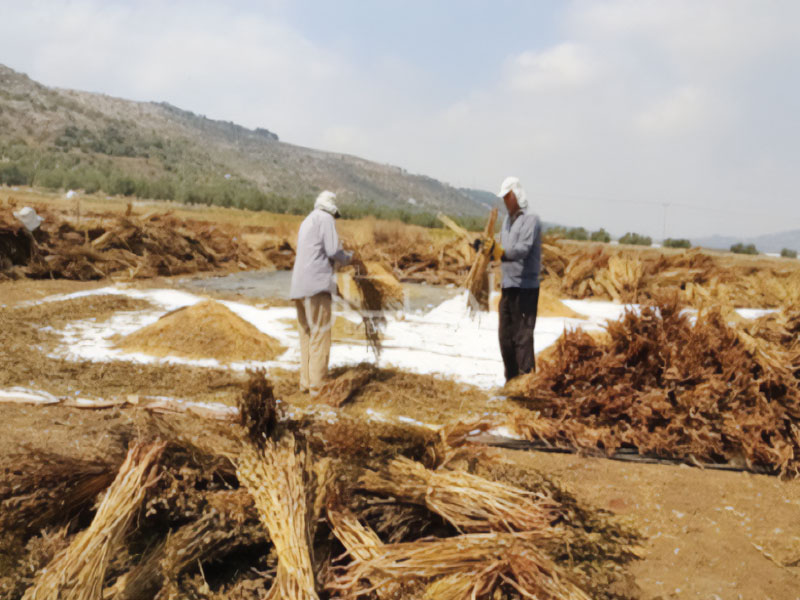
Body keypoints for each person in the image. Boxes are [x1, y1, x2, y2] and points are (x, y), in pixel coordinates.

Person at [290, 190, 352, 396]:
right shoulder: (325, 219)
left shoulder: (307, 220)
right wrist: (349, 258)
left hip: (298, 287)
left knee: (306, 335)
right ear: (332, 209)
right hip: (316, 286)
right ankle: (318, 387)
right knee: (320, 334)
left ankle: (306, 383)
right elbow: (333, 249)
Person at [495, 176, 542, 382]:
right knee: (505, 337)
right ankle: (511, 382)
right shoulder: (506, 222)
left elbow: (522, 249)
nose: (505, 202)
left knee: (522, 337)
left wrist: (500, 253)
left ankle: (526, 384)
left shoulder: (531, 220)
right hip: (508, 286)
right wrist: (485, 248)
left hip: (525, 289)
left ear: (516, 195)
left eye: (507, 197)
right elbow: (499, 245)